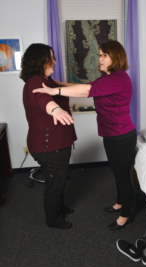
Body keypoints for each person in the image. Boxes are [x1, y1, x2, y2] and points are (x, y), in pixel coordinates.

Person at [33, 40, 137, 230]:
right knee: (116, 172)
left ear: (117, 57)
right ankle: (121, 203)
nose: (100, 58)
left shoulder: (119, 77)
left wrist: (53, 90)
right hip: (111, 134)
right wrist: (56, 83)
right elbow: (84, 85)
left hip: (122, 136)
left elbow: (87, 91)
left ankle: (125, 215)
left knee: (122, 176)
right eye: (99, 55)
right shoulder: (107, 77)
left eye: (104, 55)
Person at [20, 43, 77, 230]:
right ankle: (53, 220)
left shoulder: (48, 81)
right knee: (55, 184)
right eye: (50, 58)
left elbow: (61, 88)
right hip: (49, 146)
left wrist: (89, 88)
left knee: (58, 180)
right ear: (39, 60)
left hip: (57, 143)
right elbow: (42, 99)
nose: (54, 61)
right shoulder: (35, 82)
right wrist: (56, 110)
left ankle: (60, 208)